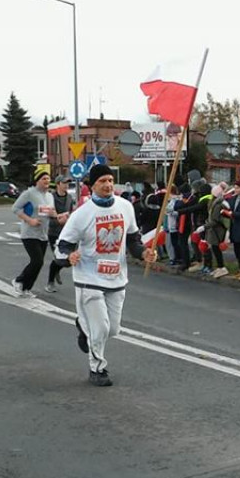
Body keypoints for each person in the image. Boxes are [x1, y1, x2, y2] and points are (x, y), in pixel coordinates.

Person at [55, 163, 157, 387]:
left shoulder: (125, 207)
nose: (108, 185)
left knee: (113, 329)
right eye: (103, 181)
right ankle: (97, 368)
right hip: (88, 279)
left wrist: (144, 253)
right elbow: (61, 246)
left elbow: (132, 240)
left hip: (117, 277)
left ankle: (83, 327)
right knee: (99, 329)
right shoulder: (81, 215)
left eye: (110, 180)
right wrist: (68, 257)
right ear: (92, 186)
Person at [10, 172, 55, 297]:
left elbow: (51, 212)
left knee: (39, 263)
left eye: (48, 178)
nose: (47, 180)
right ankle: (19, 281)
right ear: (37, 181)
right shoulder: (29, 193)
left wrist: (55, 215)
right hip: (29, 233)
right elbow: (15, 208)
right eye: (44, 178)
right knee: (37, 261)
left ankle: (26, 289)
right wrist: (30, 220)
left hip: (43, 234)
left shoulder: (50, 196)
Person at [44, 175, 76, 293]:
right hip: (54, 232)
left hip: (67, 232)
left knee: (67, 260)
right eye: (64, 183)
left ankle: (57, 269)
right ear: (58, 184)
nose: (66, 185)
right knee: (59, 257)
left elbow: (71, 212)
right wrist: (57, 219)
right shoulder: (50, 197)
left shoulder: (69, 197)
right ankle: (50, 283)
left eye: (68, 183)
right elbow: (46, 214)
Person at [202, 182, 230, 277]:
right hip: (214, 230)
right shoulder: (216, 203)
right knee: (215, 248)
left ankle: (222, 267)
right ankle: (219, 267)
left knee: (216, 248)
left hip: (216, 230)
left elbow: (215, 220)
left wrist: (205, 226)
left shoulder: (217, 205)